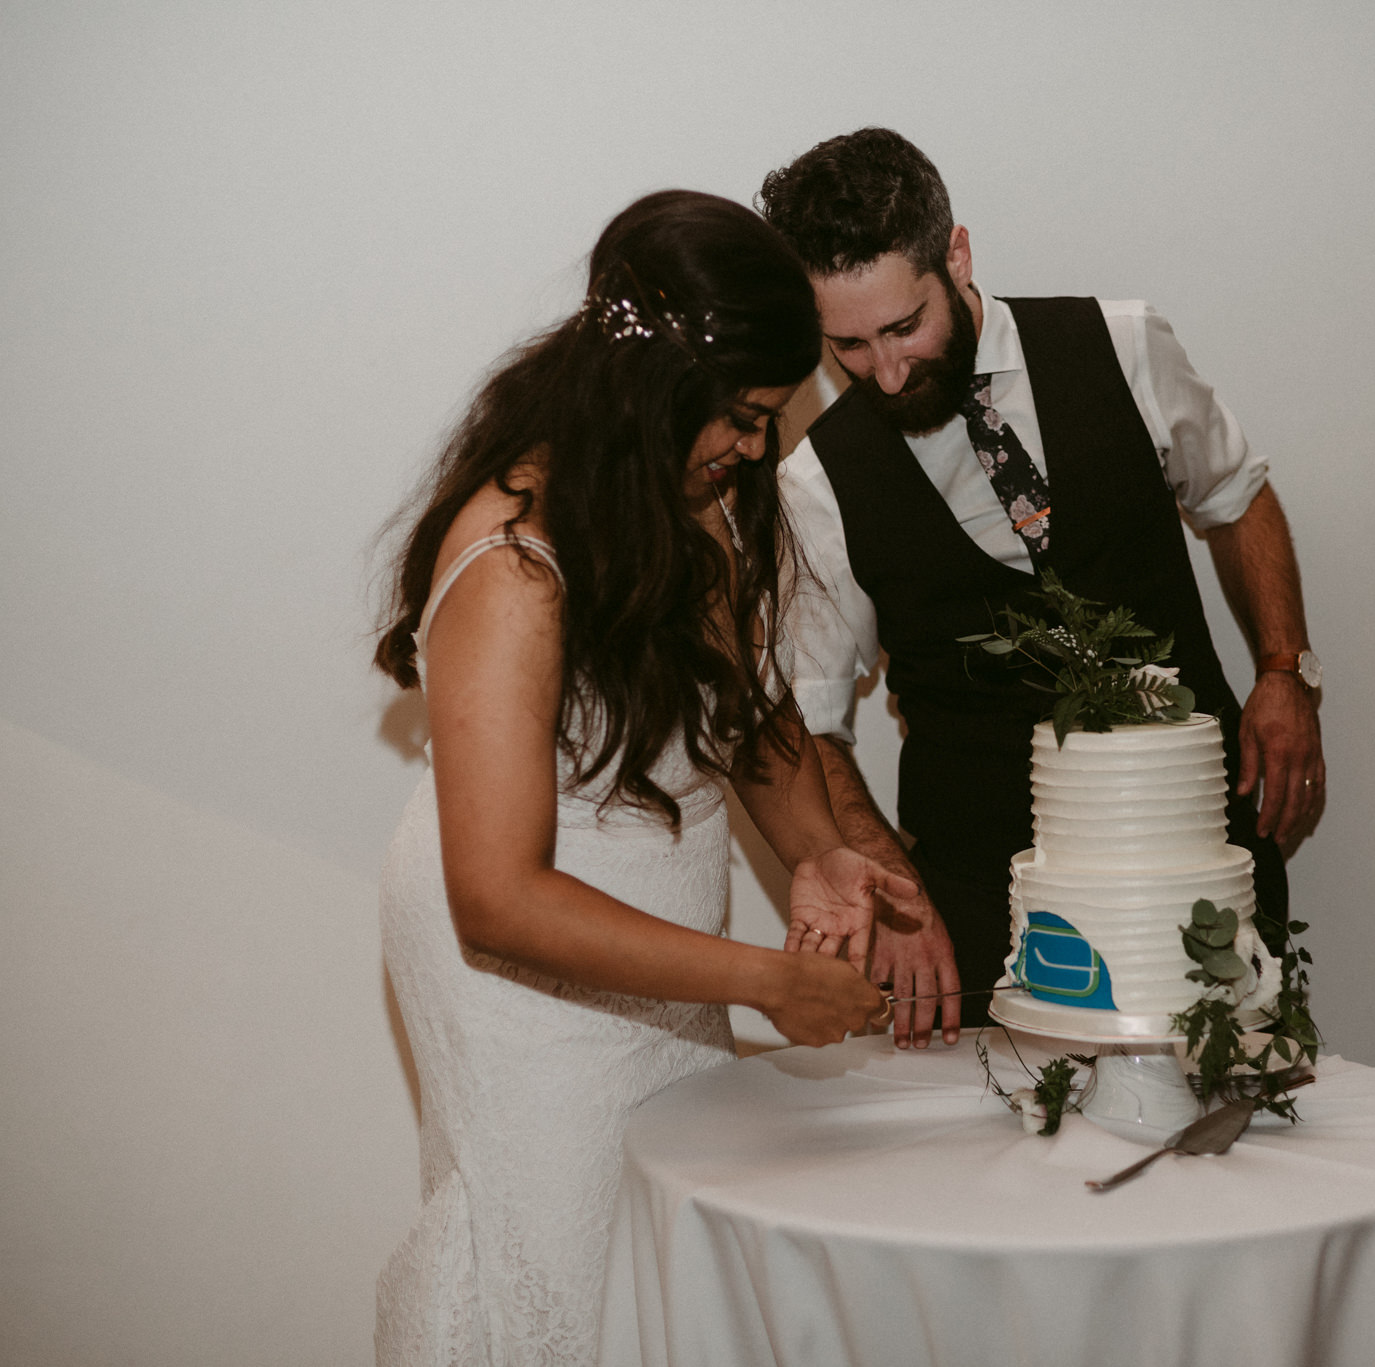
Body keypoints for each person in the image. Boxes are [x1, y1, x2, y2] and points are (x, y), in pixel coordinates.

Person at [369, 190, 913, 1365]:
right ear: (654, 388)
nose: (756, 447)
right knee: (570, 1260)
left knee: (665, 1266)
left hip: (664, 942)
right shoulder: (514, 565)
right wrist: (765, 981)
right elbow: (499, 900)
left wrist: (819, 849)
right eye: (745, 415)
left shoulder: (683, 498)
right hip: (523, 976)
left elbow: (746, 709)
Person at [759, 129, 1326, 1050]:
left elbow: (1237, 497)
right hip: (988, 908)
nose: (888, 372)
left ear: (957, 254)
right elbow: (809, 722)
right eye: (848, 346)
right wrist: (896, 896)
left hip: (1201, 858)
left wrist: (1285, 669)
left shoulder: (1126, 343)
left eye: (905, 326)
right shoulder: (816, 482)